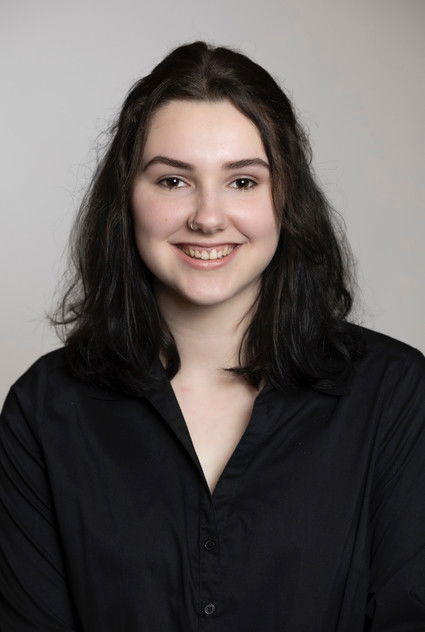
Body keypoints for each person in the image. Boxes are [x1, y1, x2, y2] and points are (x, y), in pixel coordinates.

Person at [0, 40, 424, 632]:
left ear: (287, 199)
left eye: (243, 182)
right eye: (174, 180)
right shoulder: (43, 410)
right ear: (127, 198)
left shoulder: (396, 395)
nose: (207, 216)